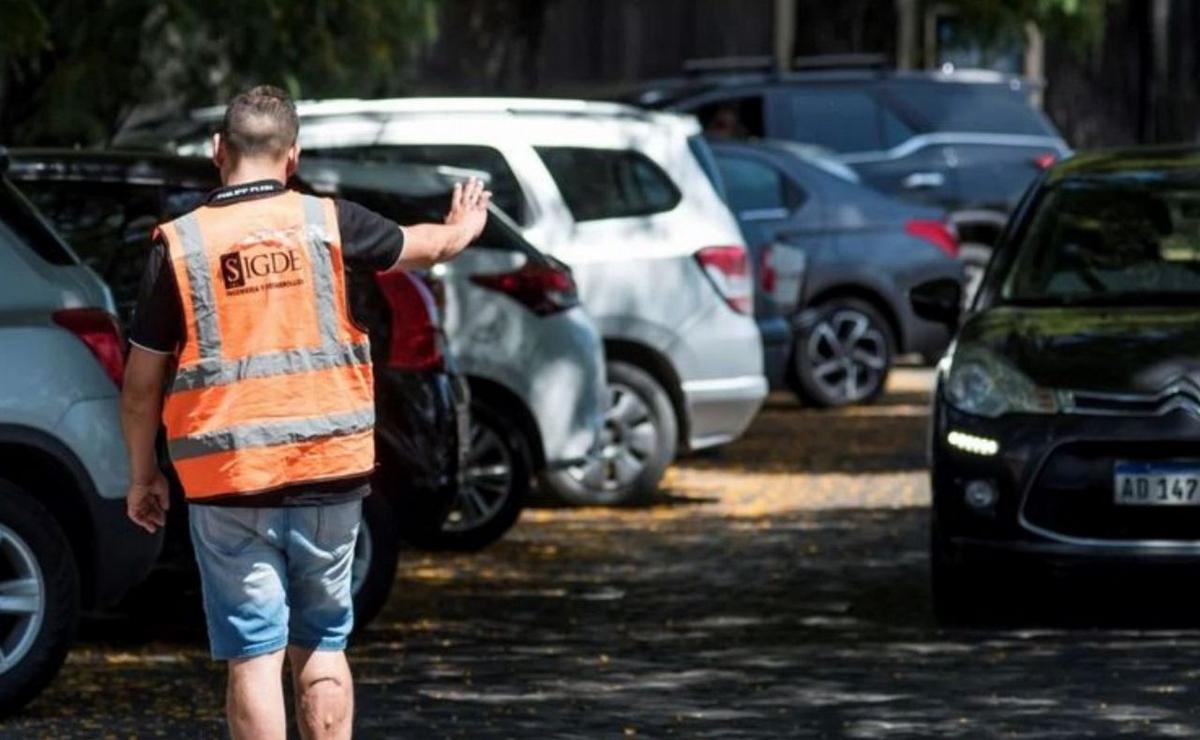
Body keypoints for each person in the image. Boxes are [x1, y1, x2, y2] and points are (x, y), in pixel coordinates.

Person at [119, 85, 490, 740]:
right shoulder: (328, 222)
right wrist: (463, 226)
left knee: (254, 653)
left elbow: (141, 385)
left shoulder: (178, 244)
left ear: (217, 150)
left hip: (229, 479)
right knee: (321, 641)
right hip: (329, 470)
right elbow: (426, 247)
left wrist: (142, 473)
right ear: (292, 156)